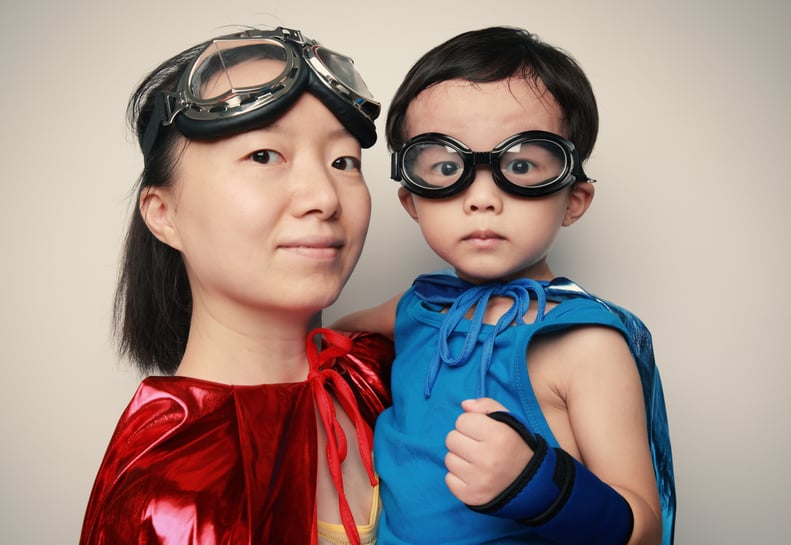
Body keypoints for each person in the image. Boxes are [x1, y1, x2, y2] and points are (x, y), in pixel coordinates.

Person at [332, 26, 676, 545]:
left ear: (574, 200)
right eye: (447, 167)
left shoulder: (585, 344)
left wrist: (541, 485)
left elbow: (644, 528)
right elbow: (331, 337)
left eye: (520, 165)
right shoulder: (418, 306)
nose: (482, 198)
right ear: (413, 203)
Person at [80, 26, 394, 545]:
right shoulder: (165, 494)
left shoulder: (383, 374)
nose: (323, 196)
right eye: (264, 156)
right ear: (163, 215)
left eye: (344, 163)